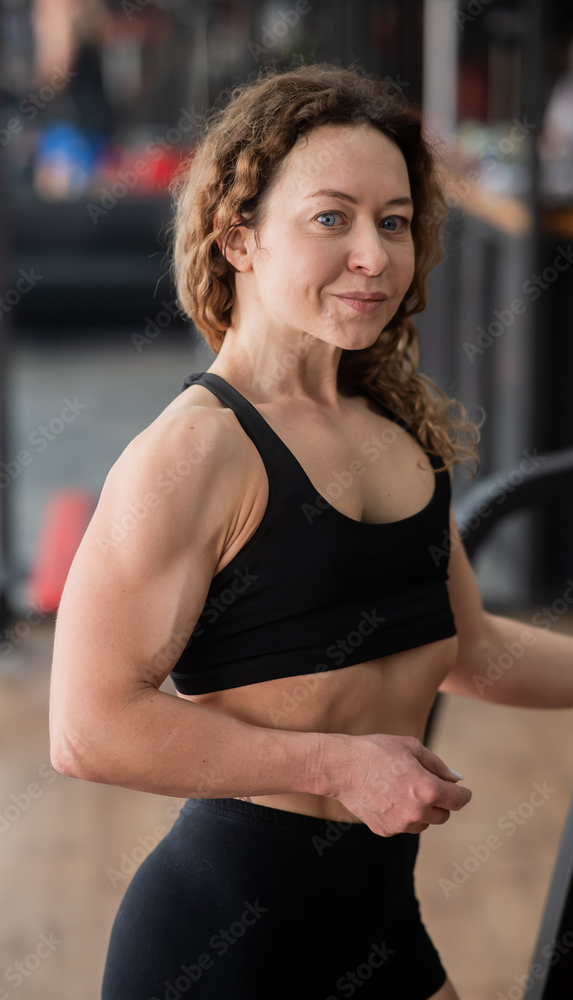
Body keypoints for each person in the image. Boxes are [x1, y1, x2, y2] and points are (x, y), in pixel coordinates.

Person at [49, 62, 573, 1000]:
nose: (373, 253)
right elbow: (87, 727)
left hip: (376, 925)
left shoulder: (398, 428)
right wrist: (337, 765)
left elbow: (473, 648)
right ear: (237, 237)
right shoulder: (194, 453)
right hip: (223, 940)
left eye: (395, 221)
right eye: (331, 218)